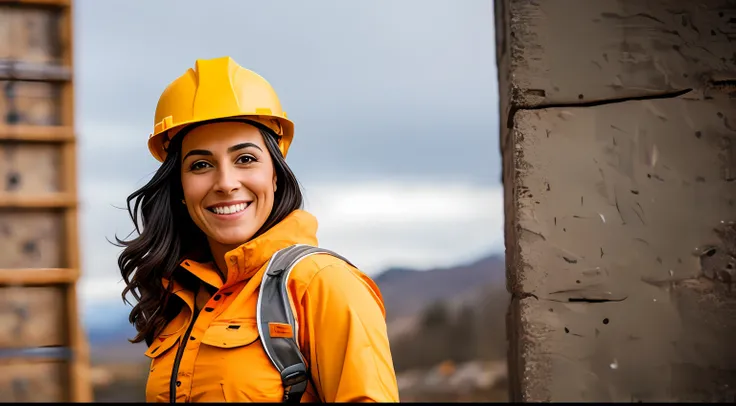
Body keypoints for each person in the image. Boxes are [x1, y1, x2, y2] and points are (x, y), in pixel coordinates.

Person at [116, 56, 400, 403]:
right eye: (201, 165)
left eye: (245, 159)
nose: (225, 183)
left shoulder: (322, 284)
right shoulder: (182, 296)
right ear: (179, 187)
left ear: (275, 175)